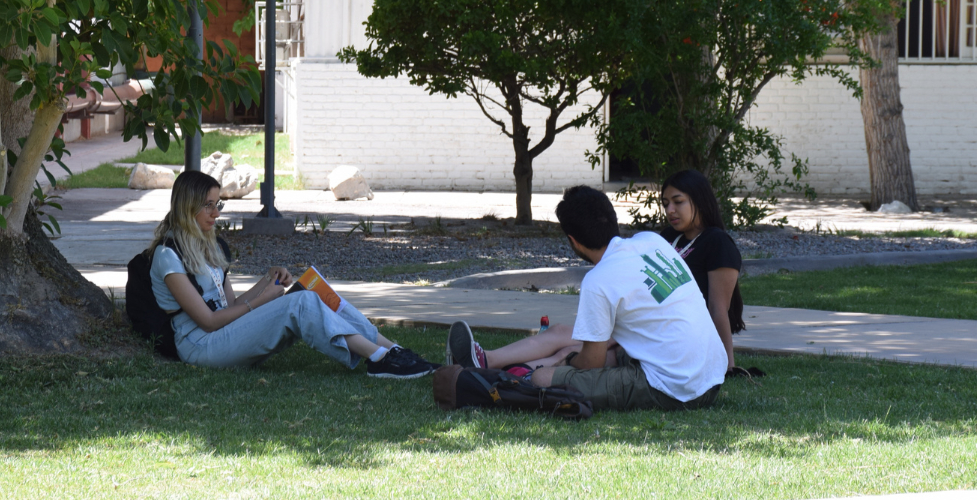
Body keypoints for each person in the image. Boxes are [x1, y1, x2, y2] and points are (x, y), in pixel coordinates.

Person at [454, 185, 727, 412]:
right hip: (710, 373)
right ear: (612, 218)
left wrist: (566, 361)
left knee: (544, 377)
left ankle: (517, 376)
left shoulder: (598, 281)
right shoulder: (652, 242)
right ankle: (486, 359)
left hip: (678, 388)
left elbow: (590, 363)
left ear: (574, 241)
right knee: (563, 333)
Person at [149, 170, 437, 378]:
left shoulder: (210, 247)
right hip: (200, 347)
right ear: (188, 207)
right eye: (208, 205)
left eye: (218, 204)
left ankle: (396, 351)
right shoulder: (168, 256)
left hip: (224, 335)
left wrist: (266, 281)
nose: (216, 213)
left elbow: (232, 307)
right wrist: (264, 301)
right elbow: (209, 321)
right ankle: (378, 359)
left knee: (313, 289)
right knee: (301, 304)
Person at [657, 169, 746, 371]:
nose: (670, 209)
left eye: (678, 202)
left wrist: (727, 366)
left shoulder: (717, 243)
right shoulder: (667, 237)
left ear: (699, 200)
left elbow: (718, 308)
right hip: (657, 330)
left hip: (688, 339)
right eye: (665, 204)